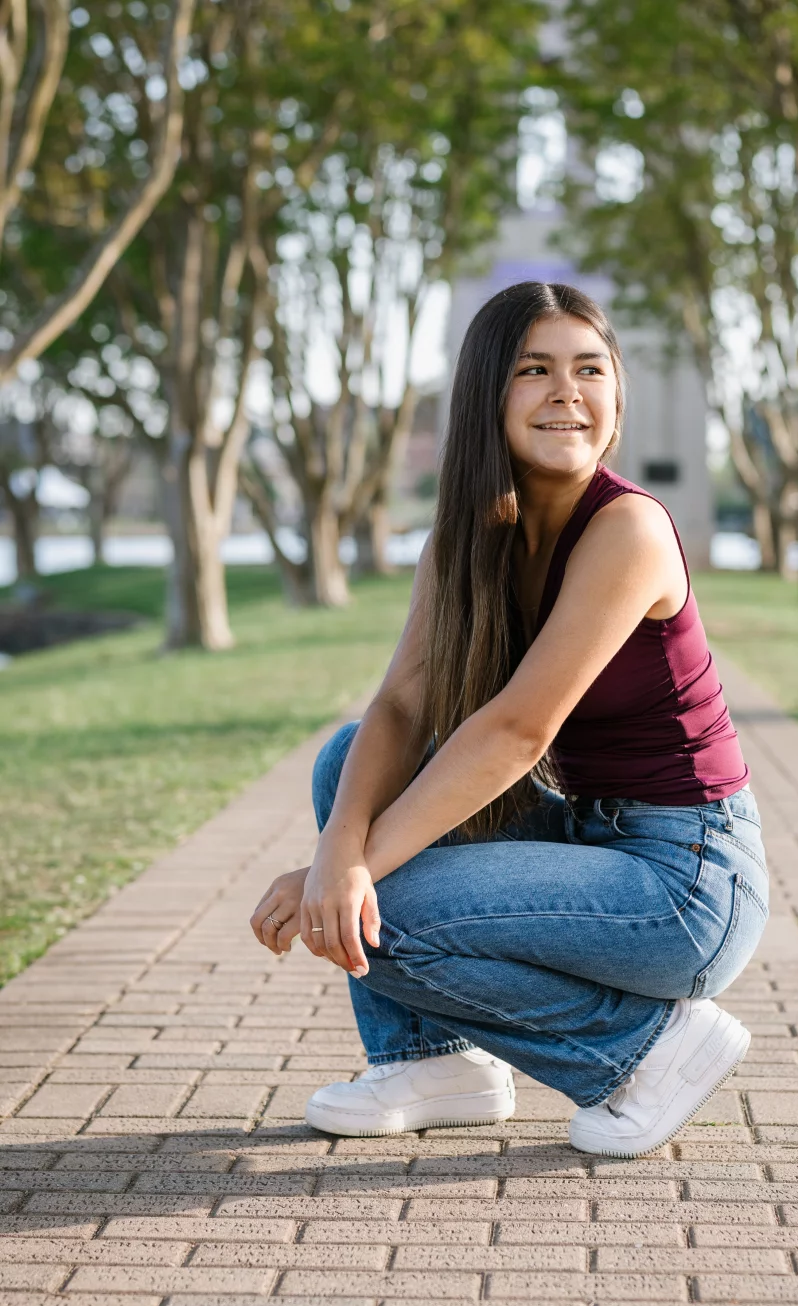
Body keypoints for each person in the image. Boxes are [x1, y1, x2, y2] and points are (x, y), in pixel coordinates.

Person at [249, 281, 768, 1158]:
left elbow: (515, 734)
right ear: (488, 393)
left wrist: (337, 880)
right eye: (535, 369)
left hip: (687, 882)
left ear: (614, 395)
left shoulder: (628, 528)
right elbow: (403, 705)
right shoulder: (470, 537)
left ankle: (644, 1052)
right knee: (348, 767)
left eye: (589, 368)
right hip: (597, 841)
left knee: (389, 908)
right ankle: (430, 1064)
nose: (567, 391)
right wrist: (335, 855)